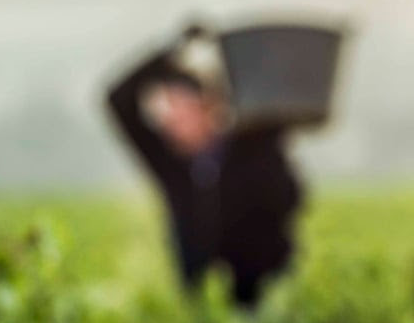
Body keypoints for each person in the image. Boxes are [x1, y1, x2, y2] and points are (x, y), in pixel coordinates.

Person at [106, 27, 303, 307]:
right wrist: (172, 49)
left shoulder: (252, 149)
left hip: (265, 304)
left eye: (181, 107)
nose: (171, 120)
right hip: (202, 309)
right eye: (167, 111)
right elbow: (118, 99)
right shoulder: (171, 166)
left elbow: (292, 198)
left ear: (209, 106)